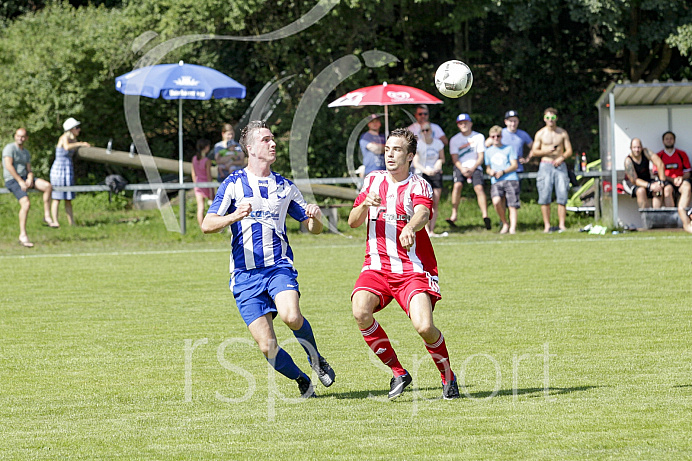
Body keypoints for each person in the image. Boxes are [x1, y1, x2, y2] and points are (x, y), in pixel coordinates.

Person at [201, 120, 335, 398]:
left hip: (278, 268)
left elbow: (313, 228)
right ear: (250, 148)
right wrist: (234, 216)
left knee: (291, 315)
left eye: (273, 139)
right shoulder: (234, 184)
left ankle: (316, 359)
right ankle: (301, 379)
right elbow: (207, 223)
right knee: (267, 346)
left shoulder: (285, 187)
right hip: (244, 275)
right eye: (265, 140)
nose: (273, 143)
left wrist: (316, 218)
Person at [348, 127, 459, 401]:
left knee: (424, 327)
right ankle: (398, 372)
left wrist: (410, 226)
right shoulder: (372, 181)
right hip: (376, 267)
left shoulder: (419, 185)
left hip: (412, 270)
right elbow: (353, 221)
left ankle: (448, 376)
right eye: (387, 149)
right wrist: (363, 205)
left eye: (396, 150)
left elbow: (422, 212)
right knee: (360, 311)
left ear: (410, 156)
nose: (390, 154)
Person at [2, 128, 58, 247]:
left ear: (26, 138)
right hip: (13, 179)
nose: (20, 139)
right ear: (15, 136)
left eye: (22, 137)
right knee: (26, 204)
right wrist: (20, 181)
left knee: (47, 186)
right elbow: (8, 166)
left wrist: (29, 178)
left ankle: (47, 216)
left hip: (24, 177)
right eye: (18, 136)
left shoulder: (26, 152)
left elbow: (29, 170)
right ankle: (23, 235)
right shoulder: (9, 148)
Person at [526, 108, 573, 233]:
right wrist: (547, 151)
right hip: (545, 165)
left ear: (556, 118)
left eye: (552, 118)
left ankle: (562, 225)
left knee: (562, 194)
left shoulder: (562, 133)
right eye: (547, 118)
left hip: (560, 165)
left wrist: (562, 157)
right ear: (544, 118)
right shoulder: (540, 134)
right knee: (544, 194)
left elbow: (569, 150)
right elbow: (534, 151)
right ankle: (547, 226)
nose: (550, 120)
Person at [448, 113, 491, 229]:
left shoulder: (479, 137)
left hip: (475, 166)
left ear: (470, 124)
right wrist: (462, 169)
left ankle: (485, 216)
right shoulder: (454, 139)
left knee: (479, 188)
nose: (464, 125)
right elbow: (455, 158)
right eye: (461, 123)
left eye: (466, 123)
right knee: (457, 186)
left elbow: (481, 157)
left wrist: (472, 168)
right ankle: (454, 214)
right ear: (458, 125)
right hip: (460, 166)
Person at [49, 118, 90, 227]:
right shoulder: (64, 138)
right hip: (59, 169)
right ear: (71, 129)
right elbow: (67, 147)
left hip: (67, 169)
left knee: (68, 198)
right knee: (57, 197)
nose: (79, 130)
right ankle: (55, 221)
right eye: (77, 128)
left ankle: (71, 222)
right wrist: (81, 143)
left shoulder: (73, 140)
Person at [484, 125, 520, 234]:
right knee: (496, 201)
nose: (496, 138)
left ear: (501, 136)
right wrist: (491, 172)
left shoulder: (509, 148)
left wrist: (503, 171)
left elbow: (515, 165)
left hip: (510, 178)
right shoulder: (488, 151)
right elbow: (488, 168)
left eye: (498, 136)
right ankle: (505, 223)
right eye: (493, 136)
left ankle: (512, 228)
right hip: (496, 181)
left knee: (512, 204)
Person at [413, 122, 445, 235]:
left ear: (431, 131)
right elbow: (415, 162)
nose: (425, 133)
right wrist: (426, 171)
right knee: (425, 203)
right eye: (423, 131)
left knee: (435, 202)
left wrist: (437, 165)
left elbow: (442, 158)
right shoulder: (419, 144)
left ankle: (431, 229)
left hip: (435, 173)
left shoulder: (438, 143)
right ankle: (425, 229)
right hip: (423, 174)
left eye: (427, 130)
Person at [623, 138, 666, 209]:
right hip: (631, 183)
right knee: (641, 191)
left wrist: (661, 182)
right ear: (631, 148)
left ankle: (656, 213)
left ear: (642, 147)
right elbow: (634, 180)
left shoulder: (646, 152)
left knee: (658, 188)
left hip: (646, 179)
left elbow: (660, 164)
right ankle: (646, 216)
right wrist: (650, 186)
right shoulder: (628, 161)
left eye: (638, 147)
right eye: (634, 147)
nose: (637, 150)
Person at [655, 131, 691, 208]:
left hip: (681, 180)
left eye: (671, 138)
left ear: (674, 140)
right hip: (667, 181)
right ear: (663, 141)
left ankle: (681, 213)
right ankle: (671, 215)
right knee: (667, 190)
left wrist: (681, 178)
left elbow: (688, 173)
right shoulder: (659, 156)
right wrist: (672, 179)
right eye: (666, 139)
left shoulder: (682, 154)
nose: (669, 140)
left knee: (687, 187)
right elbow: (657, 173)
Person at [191, 139, 214, 228]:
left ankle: (202, 227)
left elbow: (193, 173)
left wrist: (195, 184)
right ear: (206, 147)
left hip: (198, 185)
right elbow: (208, 175)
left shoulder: (194, 159)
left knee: (200, 208)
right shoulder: (207, 160)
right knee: (212, 206)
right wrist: (211, 188)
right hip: (206, 185)